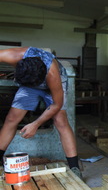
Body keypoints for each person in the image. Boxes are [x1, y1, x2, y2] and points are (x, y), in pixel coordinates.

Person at [0, 47, 82, 178]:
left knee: (60, 121)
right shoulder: (13, 55)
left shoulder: (52, 73)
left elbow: (57, 104)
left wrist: (36, 124)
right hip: (29, 83)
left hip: (54, 83)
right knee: (11, 118)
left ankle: (74, 167)